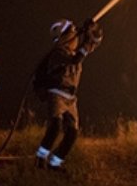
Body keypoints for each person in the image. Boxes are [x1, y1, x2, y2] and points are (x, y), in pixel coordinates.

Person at [34, 17, 102, 171]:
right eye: (73, 33)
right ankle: (40, 158)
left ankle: (55, 162)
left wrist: (93, 33)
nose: (76, 37)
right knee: (55, 127)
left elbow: (91, 46)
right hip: (57, 94)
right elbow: (76, 59)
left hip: (71, 99)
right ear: (64, 37)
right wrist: (85, 40)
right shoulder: (58, 53)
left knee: (72, 133)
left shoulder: (74, 52)